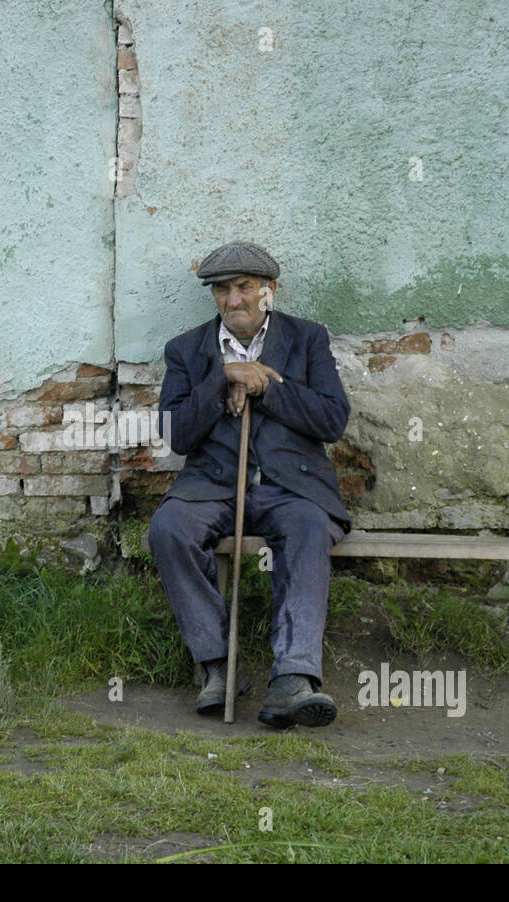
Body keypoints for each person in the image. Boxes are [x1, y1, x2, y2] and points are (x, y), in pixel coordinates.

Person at [148, 241, 353, 728]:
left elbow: (332, 419)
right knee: (169, 528)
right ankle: (218, 666)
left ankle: (293, 679)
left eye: (244, 288)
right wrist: (222, 380)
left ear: (269, 291)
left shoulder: (307, 340)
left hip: (291, 487)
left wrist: (269, 385)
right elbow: (176, 435)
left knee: (307, 527)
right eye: (222, 289)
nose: (234, 300)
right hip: (213, 486)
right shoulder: (186, 350)